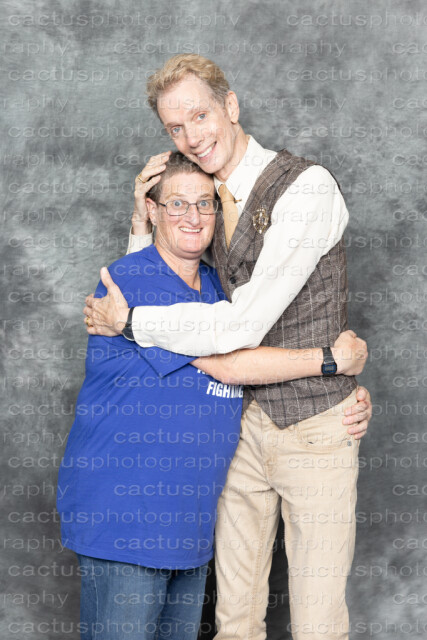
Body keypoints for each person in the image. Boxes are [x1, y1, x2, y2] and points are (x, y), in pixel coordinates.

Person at [83, 55, 372, 640]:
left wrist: (131, 320)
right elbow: (170, 281)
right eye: (176, 127)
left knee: (317, 626)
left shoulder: (307, 188)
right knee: (234, 622)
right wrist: (140, 226)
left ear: (231, 107)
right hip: (239, 431)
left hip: (316, 426)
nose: (192, 136)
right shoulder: (202, 201)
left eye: (200, 115)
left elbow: (241, 324)